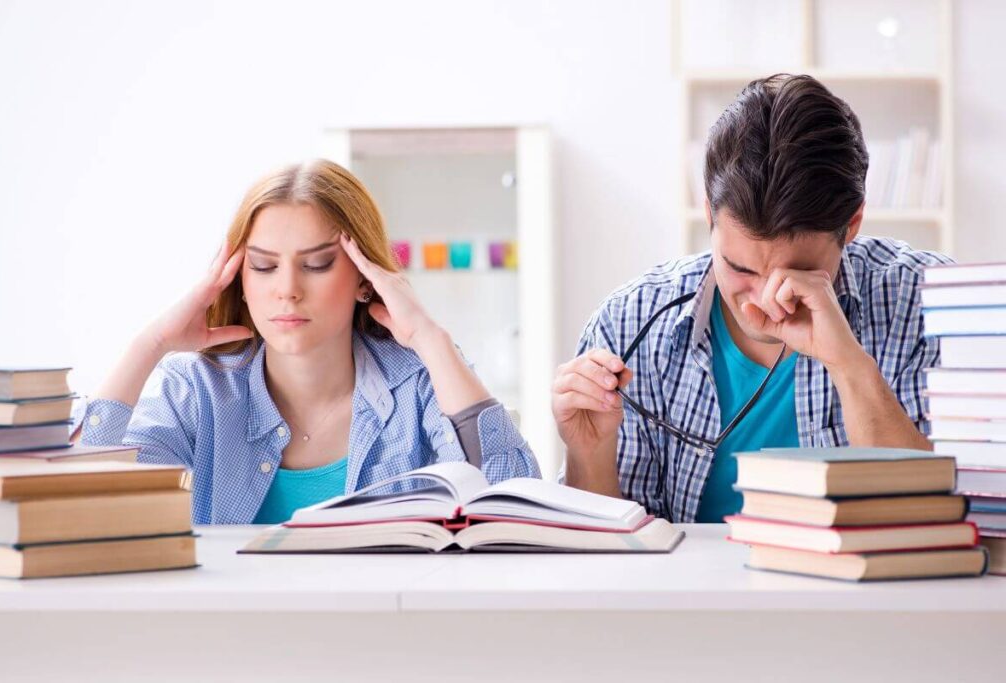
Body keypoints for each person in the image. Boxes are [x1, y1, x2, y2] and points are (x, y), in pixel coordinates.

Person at [552, 74, 952, 522]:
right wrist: (589, 452)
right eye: (740, 269)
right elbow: (606, 555)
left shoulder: (935, 307)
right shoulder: (628, 323)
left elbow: (941, 523)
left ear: (853, 224)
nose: (763, 300)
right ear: (709, 213)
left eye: (798, 274)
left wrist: (849, 365)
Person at [80, 159, 539, 524]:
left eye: (317, 265)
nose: (287, 289)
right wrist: (151, 343)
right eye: (264, 266)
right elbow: (80, 503)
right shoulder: (198, 391)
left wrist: (431, 338)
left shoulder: (420, 382)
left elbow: (515, 510)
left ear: (365, 278)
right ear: (239, 280)